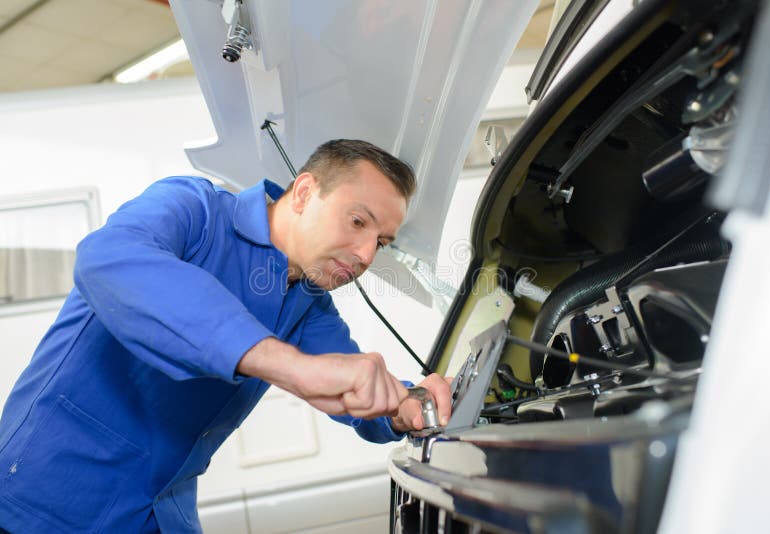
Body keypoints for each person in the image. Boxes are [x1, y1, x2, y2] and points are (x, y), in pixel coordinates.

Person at [0, 139, 452, 533]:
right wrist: (288, 364)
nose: (367, 254)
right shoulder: (195, 210)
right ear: (305, 192)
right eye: (358, 222)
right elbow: (107, 259)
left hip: (157, 514)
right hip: (42, 501)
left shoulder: (309, 304)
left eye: (383, 242)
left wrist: (405, 407)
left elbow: (358, 391)